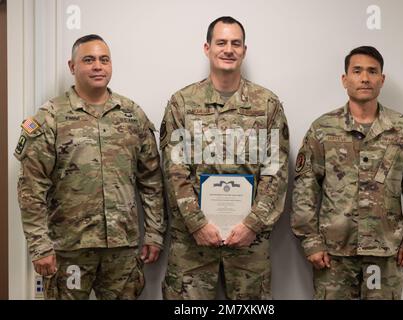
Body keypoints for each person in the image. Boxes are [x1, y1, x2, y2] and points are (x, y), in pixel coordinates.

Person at [14, 34, 165, 299]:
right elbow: (31, 189)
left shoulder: (132, 115)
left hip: (122, 248)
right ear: (72, 67)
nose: (98, 66)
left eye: (104, 60)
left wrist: (154, 233)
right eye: (89, 60)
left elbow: (151, 181)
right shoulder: (51, 118)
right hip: (69, 249)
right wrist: (40, 247)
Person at [160, 16, 289, 299]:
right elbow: (174, 170)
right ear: (207, 48)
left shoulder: (267, 104)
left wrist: (253, 224)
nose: (228, 49)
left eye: (235, 43)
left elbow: (275, 171)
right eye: (221, 42)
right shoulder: (182, 103)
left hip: (249, 244)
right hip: (192, 243)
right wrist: (197, 223)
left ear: (244, 50)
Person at [291, 46, 403, 299]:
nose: (365, 78)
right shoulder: (323, 128)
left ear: (382, 79)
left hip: (385, 253)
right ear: (344, 79)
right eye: (357, 71)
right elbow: (305, 189)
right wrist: (310, 241)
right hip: (334, 254)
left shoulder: (402, 129)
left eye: (372, 71)